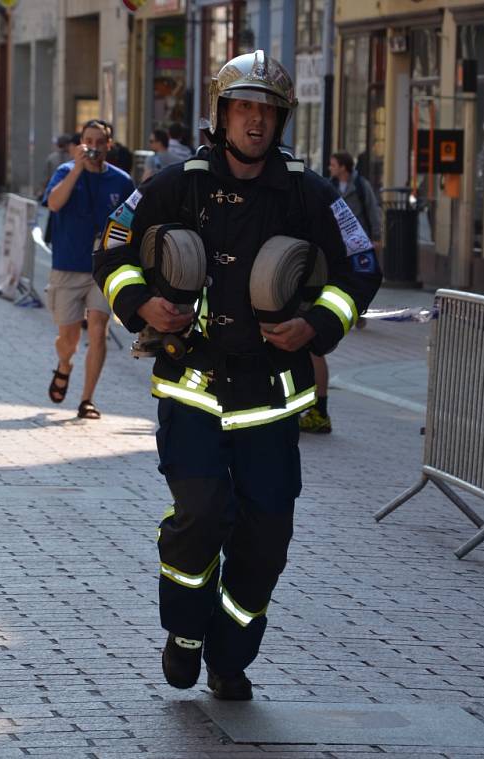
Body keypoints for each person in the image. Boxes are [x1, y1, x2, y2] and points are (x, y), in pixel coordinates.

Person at [93, 51, 381, 699]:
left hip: (270, 402)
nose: (255, 121)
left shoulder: (308, 194)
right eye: (244, 107)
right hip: (191, 388)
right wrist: (142, 303)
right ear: (222, 114)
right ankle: (185, 634)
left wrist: (317, 327)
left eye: (267, 110)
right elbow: (110, 247)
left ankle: (230, 654)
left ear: (280, 120)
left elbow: (360, 267)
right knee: (199, 515)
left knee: (266, 537)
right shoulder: (177, 183)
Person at [43, 119, 135, 420]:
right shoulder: (65, 172)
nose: (93, 147)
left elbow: (134, 222)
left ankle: (87, 400)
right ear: (79, 144)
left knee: (98, 330)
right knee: (67, 339)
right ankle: (64, 365)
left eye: (99, 142)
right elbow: (54, 204)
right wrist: (78, 170)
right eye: (88, 141)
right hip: (68, 266)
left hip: (103, 268)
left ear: (109, 145)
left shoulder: (121, 181)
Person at [299, 150, 382, 434]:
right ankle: (311, 408)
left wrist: (374, 238)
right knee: (310, 349)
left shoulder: (354, 186)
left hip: (331, 266)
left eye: (334, 163)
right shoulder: (328, 186)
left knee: (313, 348)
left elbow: (370, 211)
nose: (331, 167)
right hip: (318, 274)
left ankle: (318, 410)